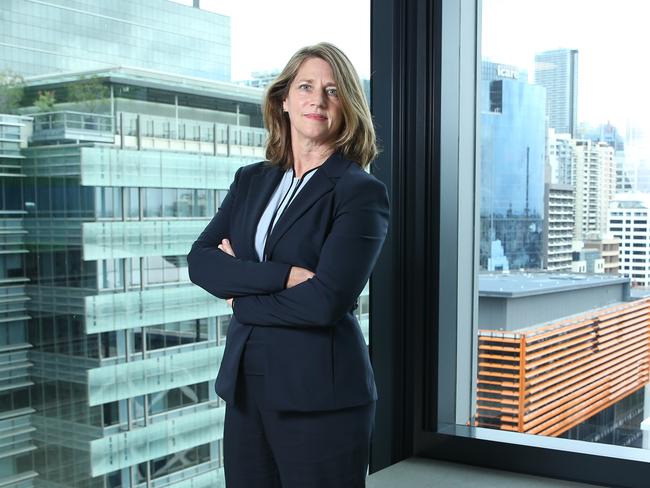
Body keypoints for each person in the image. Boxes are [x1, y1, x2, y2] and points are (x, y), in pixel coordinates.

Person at [187, 42, 389, 488]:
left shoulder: (359, 192)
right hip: (245, 388)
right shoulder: (251, 180)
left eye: (332, 91)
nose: (317, 100)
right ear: (283, 99)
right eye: (305, 86)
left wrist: (241, 299)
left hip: (321, 398)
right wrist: (281, 276)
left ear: (347, 106)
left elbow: (324, 302)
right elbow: (200, 263)